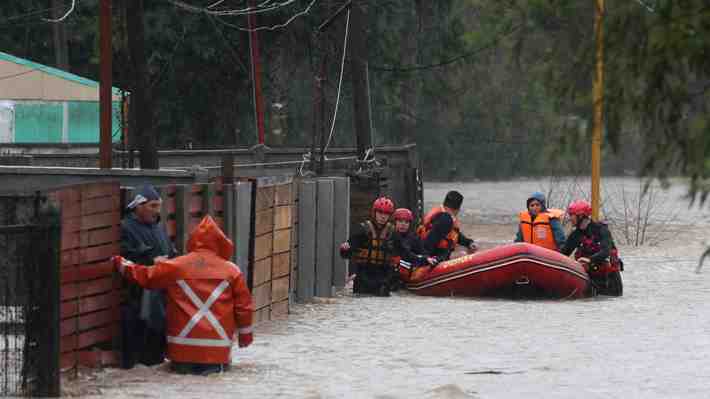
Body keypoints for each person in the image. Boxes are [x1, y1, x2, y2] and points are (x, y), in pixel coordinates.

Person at [112, 215, 254, 376]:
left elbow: (146, 276)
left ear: (193, 240)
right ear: (222, 243)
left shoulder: (176, 266)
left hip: (181, 351)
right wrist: (245, 336)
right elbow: (244, 307)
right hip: (217, 353)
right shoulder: (232, 271)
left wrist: (120, 263)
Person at [120, 185, 177, 368]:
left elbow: (170, 251)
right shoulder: (126, 227)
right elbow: (126, 254)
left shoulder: (158, 227)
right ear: (138, 206)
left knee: (159, 331)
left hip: (161, 291)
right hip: (137, 293)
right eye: (152, 206)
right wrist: (151, 260)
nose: (157, 211)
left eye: (158, 206)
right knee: (142, 331)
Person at [561, 200, 624, 295]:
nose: (570, 218)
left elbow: (606, 251)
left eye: (572, 215)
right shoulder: (575, 235)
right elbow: (563, 254)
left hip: (610, 281)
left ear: (580, 216)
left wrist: (589, 260)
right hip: (590, 279)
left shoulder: (601, 230)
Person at [339, 197, 396, 296]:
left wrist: (424, 259)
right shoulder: (363, 230)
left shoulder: (393, 233)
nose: (383, 216)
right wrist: (344, 250)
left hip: (383, 278)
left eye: (386, 214)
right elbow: (346, 254)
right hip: (364, 277)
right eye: (380, 213)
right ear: (374, 213)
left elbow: (406, 252)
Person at [417, 190, 477, 262]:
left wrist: (468, 242)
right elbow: (429, 243)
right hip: (432, 257)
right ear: (457, 209)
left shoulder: (443, 214)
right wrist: (448, 256)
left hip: (433, 253)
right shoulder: (445, 220)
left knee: (463, 252)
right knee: (463, 254)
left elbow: (454, 234)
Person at [390, 208, 437, 289]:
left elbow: (423, 252)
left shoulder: (413, 238)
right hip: (393, 271)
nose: (403, 224)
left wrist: (427, 258)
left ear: (409, 224)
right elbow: (406, 254)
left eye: (406, 222)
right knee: (401, 262)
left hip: (408, 271)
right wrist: (423, 259)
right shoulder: (392, 236)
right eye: (400, 221)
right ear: (395, 222)